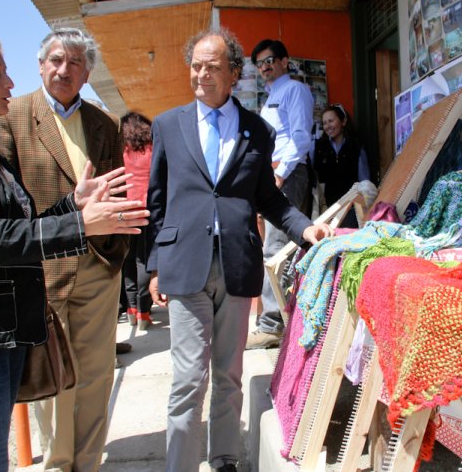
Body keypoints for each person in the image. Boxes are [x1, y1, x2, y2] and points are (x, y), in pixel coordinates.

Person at [0, 33, 148, 472]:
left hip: (2, 322)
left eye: (6, 71)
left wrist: (74, 204)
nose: (10, 82)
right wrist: (79, 224)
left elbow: (15, 221)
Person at [146, 28, 332, 472]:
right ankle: (180, 465)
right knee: (189, 378)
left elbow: (268, 197)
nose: (202, 74)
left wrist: (306, 230)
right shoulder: (168, 125)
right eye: (196, 65)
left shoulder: (257, 130)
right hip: (185, 264)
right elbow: (157, 202)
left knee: (229, 374)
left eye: (212, 66)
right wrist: (154, 266)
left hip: (236, 263)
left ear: (233, 73)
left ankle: (225, 457)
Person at [0, 27, 129, 471]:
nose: (62, 69)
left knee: (95, 376)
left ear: (87, 72)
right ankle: (57, 465)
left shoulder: (104, 124)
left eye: (73, 62)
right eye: (54, 59)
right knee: (54, 378)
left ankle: (87, 464)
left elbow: (117, 190)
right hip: (44, 268)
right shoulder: (10, 117)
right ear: (39, 64)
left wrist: (116, 251)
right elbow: (5, 204)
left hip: (98, 264)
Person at [246, 39, 315, 350]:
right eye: (259, 63)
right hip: (273, 174)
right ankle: (282, 318)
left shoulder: (294, 90)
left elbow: (300, 138)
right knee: (276, 247)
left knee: (276, 247)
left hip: (288, 174)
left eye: (270, 60)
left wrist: (279, 175)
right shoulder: (271, 97)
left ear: (286, 61)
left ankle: (272, 324)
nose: (265, 67)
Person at [120, 112, 154, 330]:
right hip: (149, 208)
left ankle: (131, 309)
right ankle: (144, 312)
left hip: (125, 209)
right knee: (144, 261)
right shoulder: (153, 147)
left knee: (128, 260)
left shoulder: (120, 149)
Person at [313, 104, 371, 227]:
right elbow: (317, 180)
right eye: (324, 123)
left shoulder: (355, 146)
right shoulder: (319, 148)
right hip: (328, 208)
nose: (328, 126)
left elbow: (364, 181)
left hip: (352, 207)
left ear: (343, 121)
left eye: (331, 121)